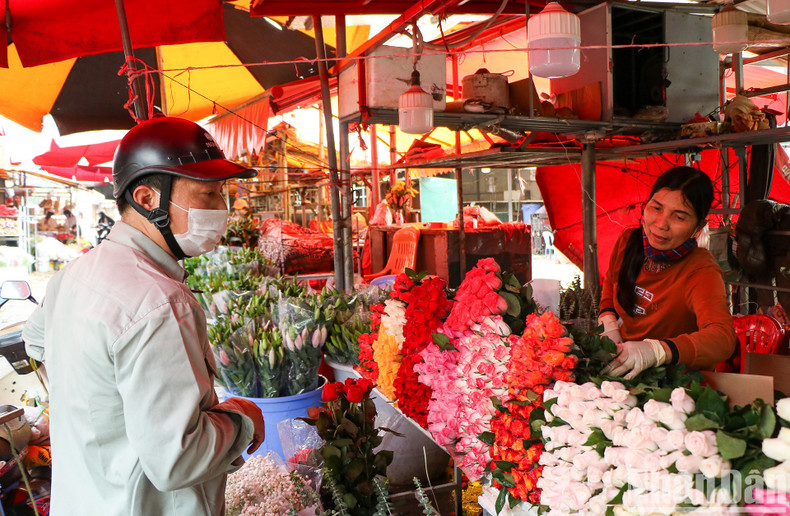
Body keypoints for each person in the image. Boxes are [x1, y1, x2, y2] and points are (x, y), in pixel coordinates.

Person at [22, 117, 265, 516]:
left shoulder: (72, 276)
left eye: (222, 194)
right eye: (208, 195)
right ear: (148, 198)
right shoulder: (160, 303)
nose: (222, 209)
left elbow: (35, 341)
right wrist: (244, 420)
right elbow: (178, 459)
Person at [599, 166, 736, 380]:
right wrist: (608, 323)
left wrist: (658, 351)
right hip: (625, 372)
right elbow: (610, 286)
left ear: (698, 226)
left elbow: (722, 339)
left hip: (678, 385)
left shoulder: (701, 270)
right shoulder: (628, 242)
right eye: (656, 208)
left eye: (679, 217)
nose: (661, 224)